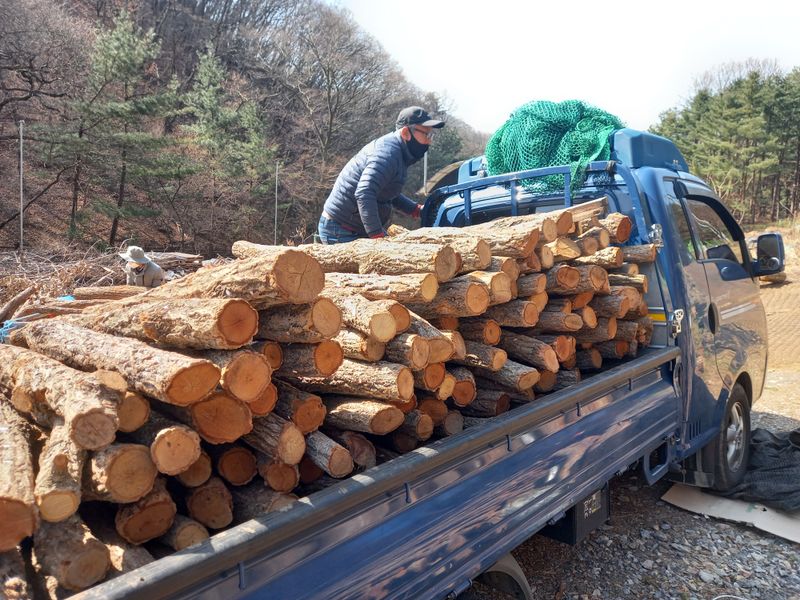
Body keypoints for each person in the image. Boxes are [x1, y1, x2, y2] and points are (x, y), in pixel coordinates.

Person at [318, 106, 445, 244]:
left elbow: (385, 191)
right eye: (426, 135)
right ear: (405, 133)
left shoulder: (398, 153)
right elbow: (365, 193)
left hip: (354, 227)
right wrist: (377, 237)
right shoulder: (387, 154)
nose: (429, 141)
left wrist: (415, 209)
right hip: (340, 229)